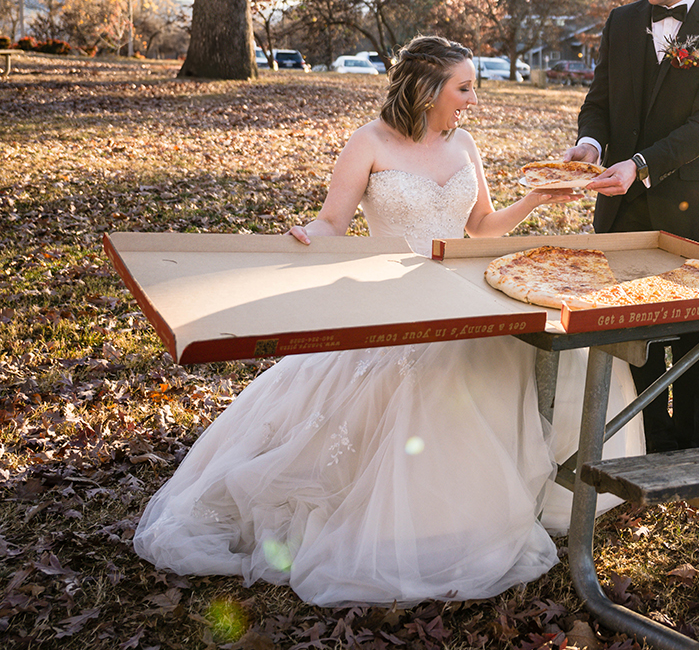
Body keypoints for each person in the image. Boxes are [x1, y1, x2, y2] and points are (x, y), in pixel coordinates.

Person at [133, 36, 641, 607]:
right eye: (464, 87)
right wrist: (308, 236)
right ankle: (418, 523)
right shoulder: (367, 142)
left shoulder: (464, 142)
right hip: (393, 299)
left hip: (461, 292)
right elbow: (333, 221)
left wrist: (539, 199)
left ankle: (499, 500)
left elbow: (482, 228)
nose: (473, 99)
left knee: (533, 353)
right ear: (428, 90)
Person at [563, 0, 699, 452]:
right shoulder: (620, 23)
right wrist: (591, 144)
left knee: (691, 335)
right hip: (620, 209)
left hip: (687, 207)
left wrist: (640, 164)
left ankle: (682, 450)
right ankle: (639, 440)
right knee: (631, 333)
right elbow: (598, 102)